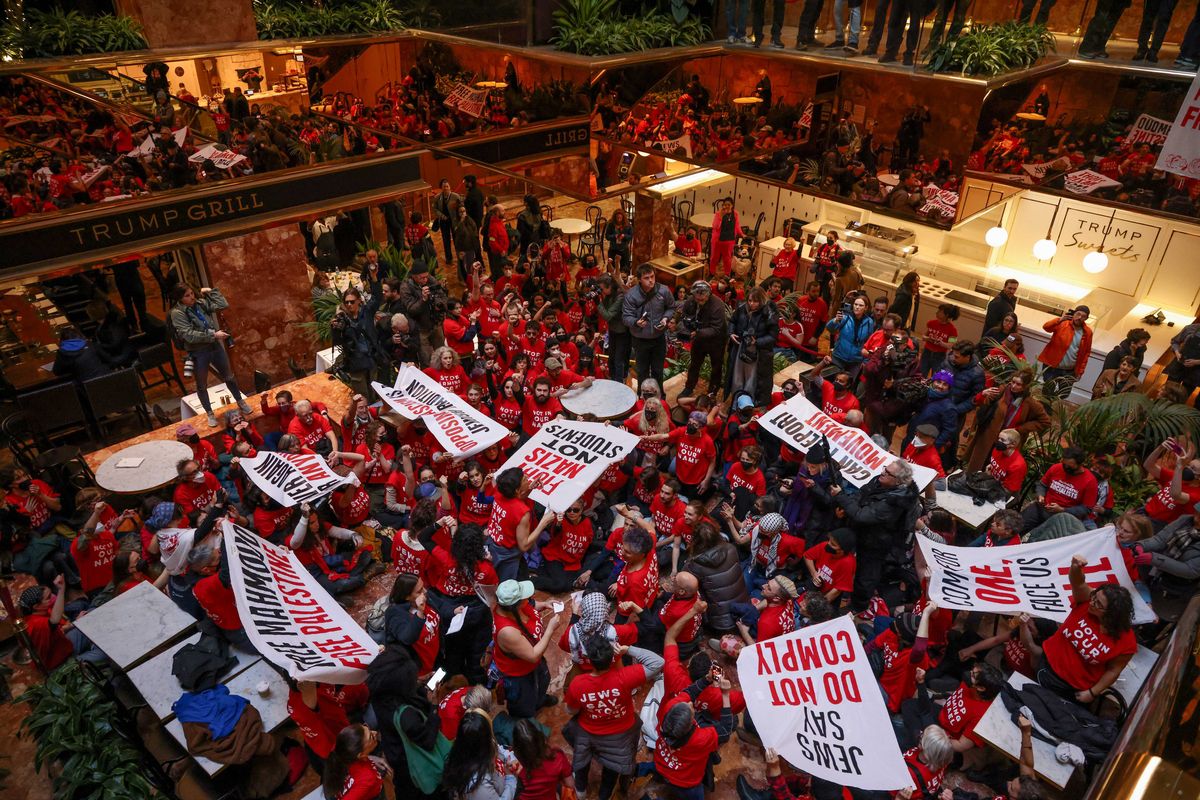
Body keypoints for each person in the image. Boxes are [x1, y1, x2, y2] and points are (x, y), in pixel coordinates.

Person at [565, 635, 663, 800]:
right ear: (612, 657)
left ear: (589, 660)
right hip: (621, 733)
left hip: (589, 732)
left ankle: (580, 791)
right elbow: (658, 662)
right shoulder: (624, 677)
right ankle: (604, 796)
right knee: (611, 771)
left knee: (581, 759)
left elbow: (570, 711)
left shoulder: (578, 683)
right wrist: (628, 649)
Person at [1039, 555, 1136, 704]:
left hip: (1071, 688)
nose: (1092, 603)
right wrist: (1075, 567)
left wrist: (1092, 692)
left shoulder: (1126, 642)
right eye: (1094, 597)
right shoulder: (1085, 602)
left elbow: (1113, 670)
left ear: (1112, 614)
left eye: (1098, 604)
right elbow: (1078, 582)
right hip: (1047, 665)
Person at [835, 459, 919, 614]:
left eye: (888, 473)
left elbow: (862, 515)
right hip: (860, 532)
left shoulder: (896, 502)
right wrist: (846, 507)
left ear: (898, 481)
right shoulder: (879, 482)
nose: (882, 473)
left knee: (866, 575)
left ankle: (858, 607)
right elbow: (861, 494)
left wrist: (841, 497)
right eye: (885, 468)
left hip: (876, 542)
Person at [168, 283, 252, 427]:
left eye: (192, 293)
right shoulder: (177, 313)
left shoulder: (199, 303)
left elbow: (222, 304)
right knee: (201, 384)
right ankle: (210, 413)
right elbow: (189, 335)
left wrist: (210, 292)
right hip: (199, 351)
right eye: (187, 296)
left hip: (214, 346)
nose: (191, 297)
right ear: (180, 299)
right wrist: (213, 334)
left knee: (229, 376)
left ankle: (240, 401)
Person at [491, 578, 564, 719]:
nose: (528, 598)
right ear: (515, 605)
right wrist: (550, 629)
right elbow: (532, 655)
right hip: (519, 674)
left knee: (543, 680)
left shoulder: (514, 606)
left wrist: (544, 604)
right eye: (524, 598)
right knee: (523, 704)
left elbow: (530, 605)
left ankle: (540, 701)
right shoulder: (507, 632)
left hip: (533, 664)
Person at [963, 369, 1049, 473]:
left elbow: (1045, 422)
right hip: (987, 437)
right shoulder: (1001, 391)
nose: (1013, 386)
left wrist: (1019, 429)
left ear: (1025, 386)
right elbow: (979, 402)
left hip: (1007, 442)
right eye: (1013, 382)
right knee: (977, 465)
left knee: (996, 470)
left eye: (1018, 384)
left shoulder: (1030, 403)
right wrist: (983, 394)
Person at [1137, 500, 1200, 621]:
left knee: (1156, 616)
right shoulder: (1185, 520)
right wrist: (1140, 545)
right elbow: (1160, 539)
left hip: (1175, 589)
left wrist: (1154, 559)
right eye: (1197, 513)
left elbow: (1190, 570)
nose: (1196, 519)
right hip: (1156, 575)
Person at [622, 264, 676, 387]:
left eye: (652, 276)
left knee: (658, 371)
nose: (651, 280)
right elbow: (626, 317)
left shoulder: (663, 290)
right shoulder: (631, 295)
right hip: (640, 339)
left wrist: (665, 318)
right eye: (646, 278)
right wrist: (636, 322)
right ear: (639, 279)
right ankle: (643, 396)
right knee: (642, 371)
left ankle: (659, 396)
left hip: (659, 338)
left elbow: (671, 307)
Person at [443, 710, 516, 800]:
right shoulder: (478, 785)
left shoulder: (467, 748)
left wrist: (510, 759)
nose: (492, 740)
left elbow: (498, 748)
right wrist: (510, 778)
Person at [727, 287, 779, 407]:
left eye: (755, 301)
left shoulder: (769, 311)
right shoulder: (742, 307)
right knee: (737, 378)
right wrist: (731, 333)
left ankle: (747, 406)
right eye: (750, 300)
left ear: (761, 301)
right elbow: (732, 321)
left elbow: (773, 336)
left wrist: (757, 342)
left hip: (758, 352)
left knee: (752, 380)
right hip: (740, 347)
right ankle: (736, 403)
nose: (752, 304)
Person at [677, 280, 728, 398]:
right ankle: (689, 387)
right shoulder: (691, 301)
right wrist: (685, 325)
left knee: (716, 366)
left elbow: (716, 329)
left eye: (702, 299)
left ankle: (712, 391)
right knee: (694, 364)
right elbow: (684, 315)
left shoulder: (718, 305)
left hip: (716, 340)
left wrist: (698, 332)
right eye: (697, 298)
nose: (699, 301)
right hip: (699, 337)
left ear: (708, 294)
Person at [331, 287, 381, 397]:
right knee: (361, 396)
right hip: (356, 362)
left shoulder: (366, 313)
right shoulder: (342, 319)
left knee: (374, 391)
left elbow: (377, 298)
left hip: (371, 358)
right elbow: (338, 341)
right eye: (346, 302)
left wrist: (374, 278)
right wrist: (335, 328)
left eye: (352, 301)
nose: (349, 304)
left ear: (359, 300)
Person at [398, 261, 450, 365]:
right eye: (422, 278)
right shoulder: (406, 287)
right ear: (414, 277)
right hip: (420, 329)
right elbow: (411, 309)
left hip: (435, 323)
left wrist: (439, 304)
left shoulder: (431, 280)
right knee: (427, 360)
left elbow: (442, 296)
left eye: (426, 276)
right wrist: (423, 300)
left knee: (443, 354)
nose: (425, 279)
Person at [322, 724, 390, 800]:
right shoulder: (368, 777)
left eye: (367, 727)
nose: (375, 732)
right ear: (361, 755)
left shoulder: (341, 748)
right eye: (371, 737)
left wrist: (369, 757)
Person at [512, 718, 573, 800]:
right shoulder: (557, 756)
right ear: (540, 737)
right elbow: (570, 784)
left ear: (517, 749)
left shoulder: (516, 768)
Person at [1038, 306, 1092, 390]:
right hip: (1052, 367)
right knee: (1048, 391)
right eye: (1078, 314)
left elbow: (1086, 353)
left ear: (1086, 318)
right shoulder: (1062, 323)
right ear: (1074, 314)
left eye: (1083, 316)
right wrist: (1059, 319)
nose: (1080, 317)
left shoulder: (1087, 332)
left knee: (1064, 393)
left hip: (1070, 371)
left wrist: (1080, 371)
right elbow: (1046, 327)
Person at [824, 294, 875, 379]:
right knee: (832, 381)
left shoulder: (869, 322)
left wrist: (865, 361)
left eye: (860, 305)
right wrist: (835, 320)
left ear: (866, 308)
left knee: (847, 386)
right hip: (839, 357)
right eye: (855, 304)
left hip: (855, 361)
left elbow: (868, 343)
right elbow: (829, 328)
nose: (857, 307)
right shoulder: (845, 317)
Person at [987, 429, 1028, 495]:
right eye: (999, 438)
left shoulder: (1018, 465)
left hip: (1005, 493)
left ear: (1013, 444)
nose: (999, 441)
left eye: (1002, 440)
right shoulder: (997, 450)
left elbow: (1009, 491)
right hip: (993, 483)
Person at [709, 198, 743, 277]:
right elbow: (715, 226)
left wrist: (741, 233)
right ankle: (711, 272)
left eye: (729, 205)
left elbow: (737, 225)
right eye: (725, 205)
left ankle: (727, 274)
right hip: (718, 240)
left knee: (727, 258)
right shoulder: (718, 214)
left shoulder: (735, 214)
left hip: (729, 240)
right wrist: (721, 217)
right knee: (714, 257)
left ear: (732, 205)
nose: (726, 206)